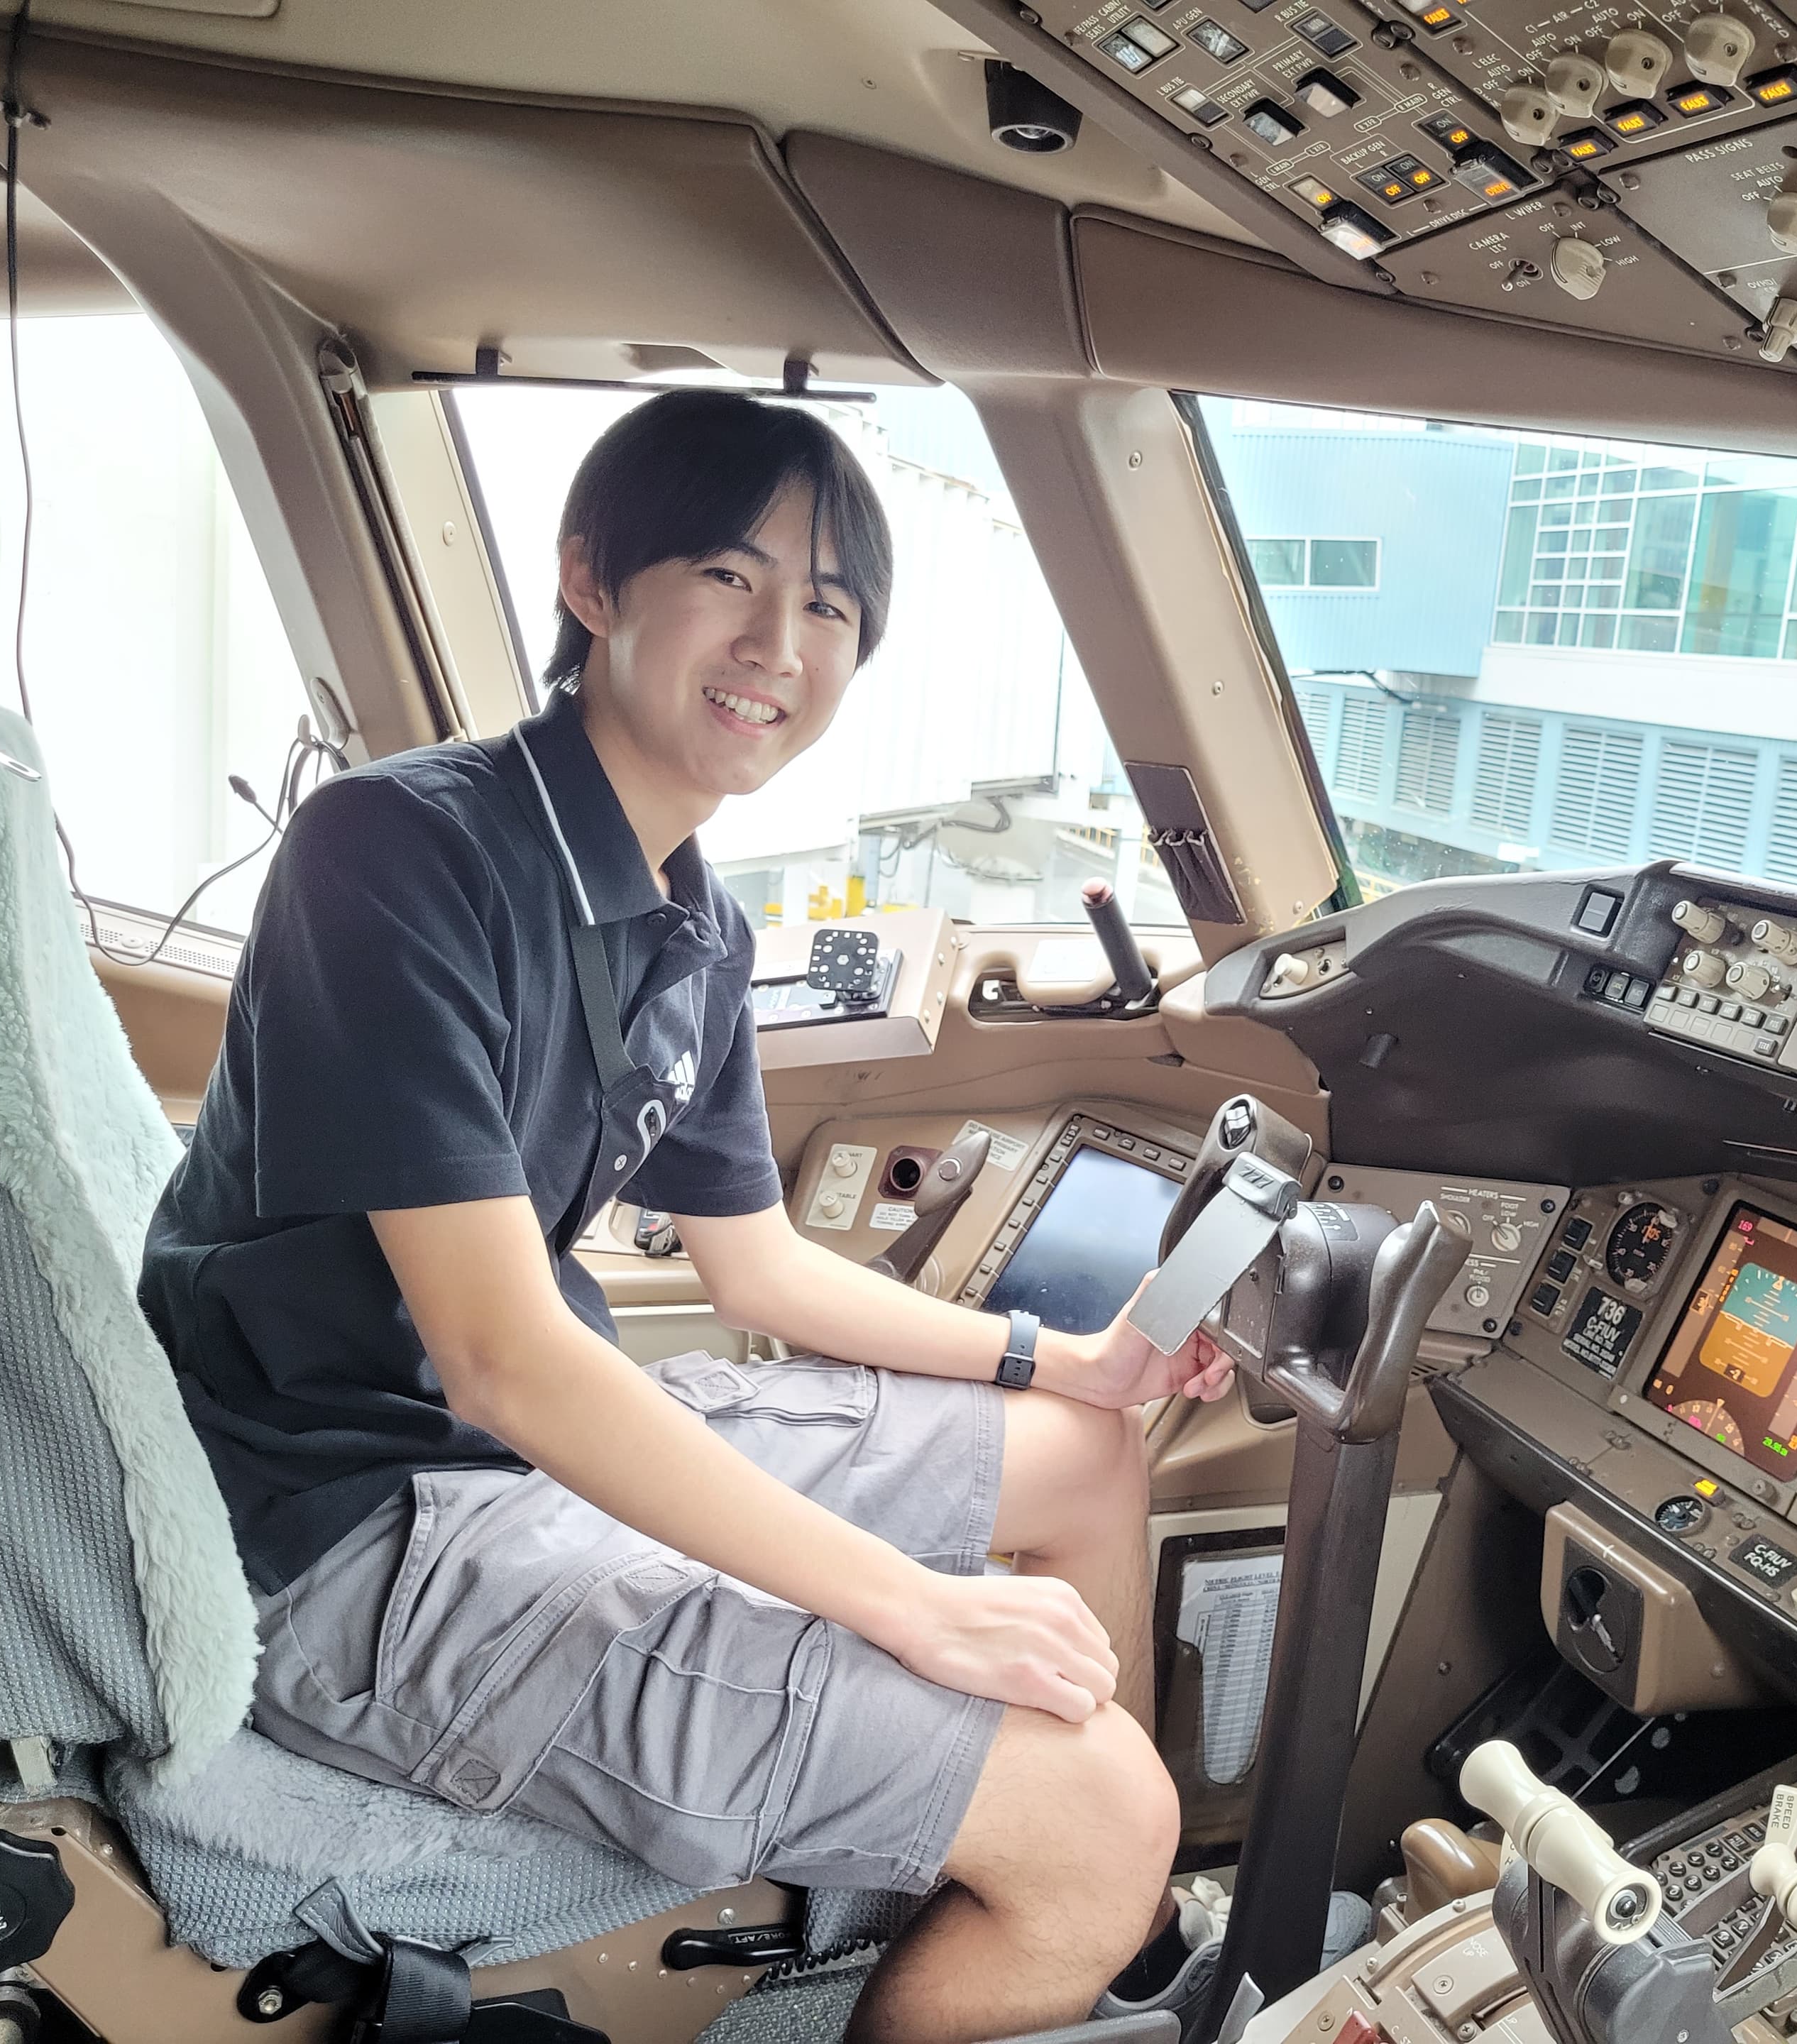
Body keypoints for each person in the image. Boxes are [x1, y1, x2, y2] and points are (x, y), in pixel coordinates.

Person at [141, 389, 1232, 2042]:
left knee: (1087, 1461)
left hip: (505, 1454)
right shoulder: (396, 851)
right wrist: (914, 1604)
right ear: (592, 581)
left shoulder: (694, 924)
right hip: (356, 1529)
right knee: (1106, 1817)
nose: (781, 642)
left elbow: (762, 1268)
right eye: (732, 576)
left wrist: (1059, 1359)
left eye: (833, 606)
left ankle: (1067, 1944)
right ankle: (1072, 1874)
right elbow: (504, 1358)